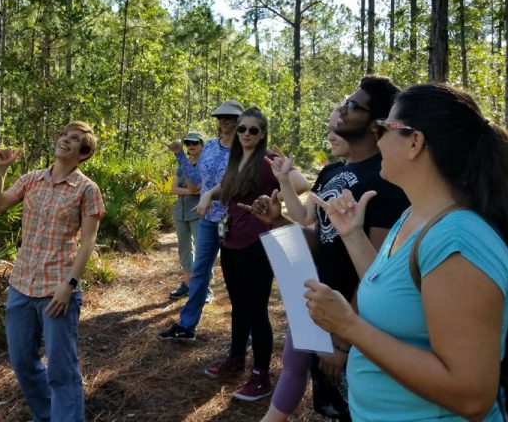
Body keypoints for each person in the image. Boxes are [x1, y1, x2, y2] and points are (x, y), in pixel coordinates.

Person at [305, 83, 508, 421]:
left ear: (415, 142)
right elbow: (393, 292)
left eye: (384, 128)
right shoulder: (414, 216)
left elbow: (471, 395)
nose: (377, 137)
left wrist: (349, 326)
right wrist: (353, 235)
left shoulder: (459, 241)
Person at [251, 76, 409, 422]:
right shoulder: (332, 170)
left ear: (374, 122)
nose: (342, 109)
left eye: (353, 106)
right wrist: (279, 223)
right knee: (329, 404)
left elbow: (377, 269)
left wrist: (344, 339)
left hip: (356, 320)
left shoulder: (385, 179)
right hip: (322, 302)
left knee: (356, 408)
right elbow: (320, 237)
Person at [0, 121, 105, 422]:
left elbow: (88, 242)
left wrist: (69, 284)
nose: (66, 140)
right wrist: (0, 171)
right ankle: (48, 414)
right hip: (21, 284)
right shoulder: (31, 180)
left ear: (84, 153)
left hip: (57, 288)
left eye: (75, 139)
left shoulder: (87, 189)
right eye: (64, 135)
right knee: (22, 360)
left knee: (61, 368)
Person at [199, 108, 311, 402]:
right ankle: (236, 358)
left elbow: (301, 184)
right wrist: (208, 194)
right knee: (238, 306)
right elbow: (228, 187)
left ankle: (261, 374)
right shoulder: (237, 159)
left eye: (253, 130)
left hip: (257, 244)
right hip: (231, 240)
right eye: (242, 129)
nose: (246, 134)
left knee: (256, 310)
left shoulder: (268, 160)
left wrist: (276, 191)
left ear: (262, 134)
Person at [159, 100, 244, 341]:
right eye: (221, 117)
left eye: (230, 117)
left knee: (236, 277)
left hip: (233, 219)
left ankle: (245, 330)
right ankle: (187, 326)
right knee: (199, 271)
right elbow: (195, 181)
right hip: (207, 218)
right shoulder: (209, 148)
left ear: (239, 121)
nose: (224, 121)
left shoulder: (243, 149)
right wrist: (179, 155)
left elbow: (238, 182)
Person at [168, 131, 204, 298]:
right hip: (180, 212)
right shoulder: (183, 164)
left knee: (202, 249)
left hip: (198, 211)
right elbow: (173, 189)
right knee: (184, 249)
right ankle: (187, 283)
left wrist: (192, 190)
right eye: (188, 143)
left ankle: (204, 287)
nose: (191, 146)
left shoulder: (204, 164)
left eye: (194, 143)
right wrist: (190, 190)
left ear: (202, 145)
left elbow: (201, 189)